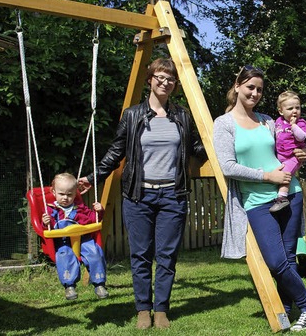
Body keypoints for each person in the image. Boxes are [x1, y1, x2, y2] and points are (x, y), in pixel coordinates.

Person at [79, 58, 206, 329]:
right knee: (140, 255)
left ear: (175, 84)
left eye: (170, 78)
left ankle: (161, 309)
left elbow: (197, 147)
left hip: (173, 195)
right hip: (138, 196)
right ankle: (143, 310)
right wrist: (93, 178)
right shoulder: (132, 115)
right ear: (149, 79)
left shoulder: (182, 115)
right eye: (160, 77)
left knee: (167, 255)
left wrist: (229, 146)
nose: (165, 82)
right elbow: (116, 152)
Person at [213, 65, 306, 332]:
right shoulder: (224, 124)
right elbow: (228, 167)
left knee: (289, 256)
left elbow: (290, 151)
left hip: (290, 193)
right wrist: (266, 177)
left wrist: (303, 155)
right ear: (237, 86)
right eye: (250, 87)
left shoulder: (268, 121)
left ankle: (285, 309)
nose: (255, 93)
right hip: (257, 201)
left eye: (259, 89)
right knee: (275, 261)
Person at [42, 172, 108, 301]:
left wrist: (99, 211)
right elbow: (46, 227)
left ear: (75, 194)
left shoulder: (80, 208)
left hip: (84, 239)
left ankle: (99, 284)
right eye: (61, 194)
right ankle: (69, 286)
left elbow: (93, 219)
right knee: (64, 255)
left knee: (95, 252)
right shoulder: (51, 210)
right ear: (53, 192)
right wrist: (46, 222)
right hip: (63, 241)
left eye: (70, 194)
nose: (65, 198)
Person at [269, 91, 306, 213]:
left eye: (297, 107)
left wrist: (293, 126)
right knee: (277, 171)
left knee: (285, 174)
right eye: (290, 108)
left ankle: (282, 197)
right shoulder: (278, 122)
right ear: (281, 111)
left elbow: (301, 137)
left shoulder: (301, 123)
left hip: (294, 156)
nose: (295, 111)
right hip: (280, 155)